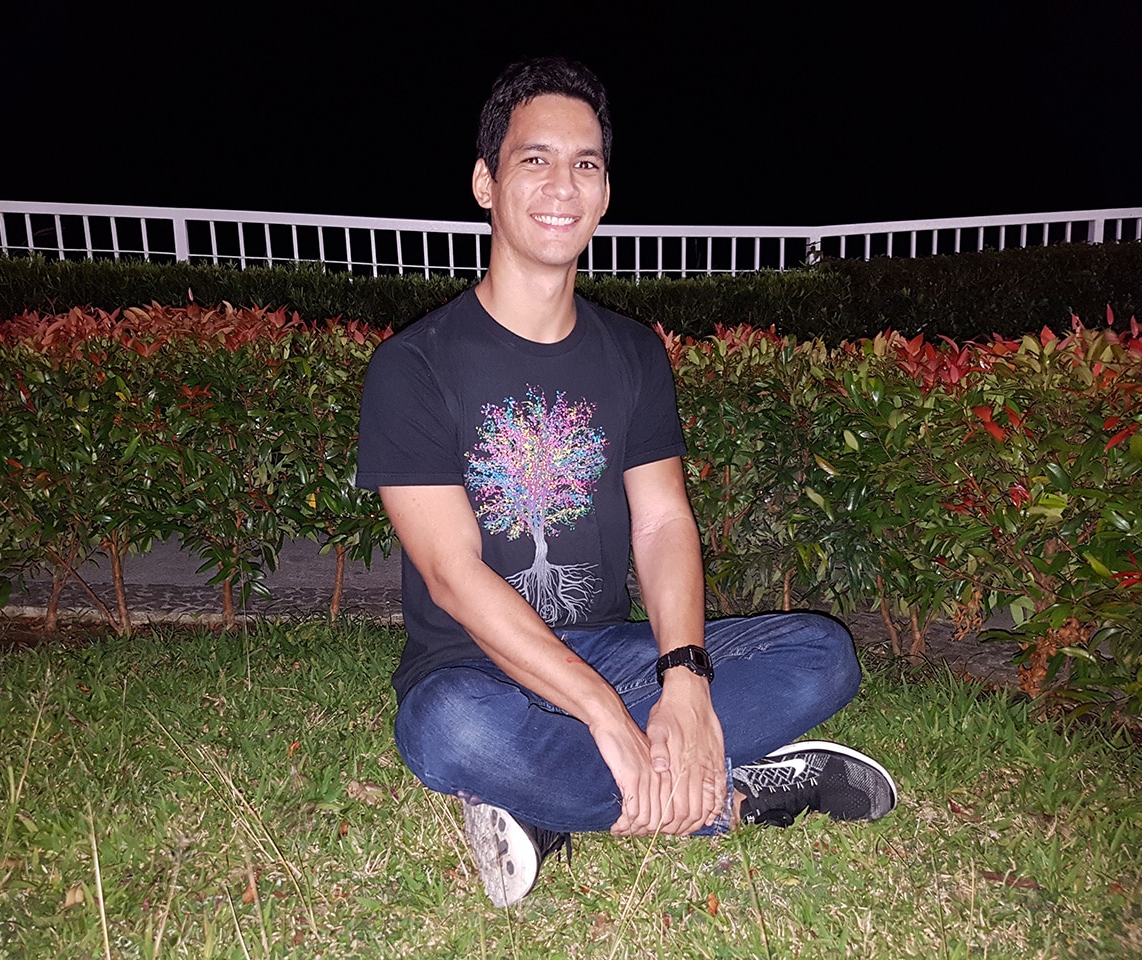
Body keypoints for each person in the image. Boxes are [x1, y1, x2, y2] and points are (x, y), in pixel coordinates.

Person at [355, 56, 896, 908]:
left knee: (823, 656)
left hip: (612, 647)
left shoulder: (633, 353)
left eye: (586, 164)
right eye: (534, 159)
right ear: (485, 182)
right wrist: (605, 713)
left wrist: (684, 680)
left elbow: (663, 523)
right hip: (476, 667)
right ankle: (730, 797)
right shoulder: (412, 368)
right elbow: (453, 575)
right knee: (446, 730)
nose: (561, 186)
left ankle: (544, 806)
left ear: (605, 193)